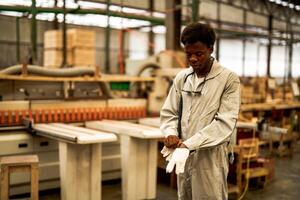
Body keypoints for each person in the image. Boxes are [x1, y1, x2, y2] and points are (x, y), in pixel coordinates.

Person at [160, 22, 241, 200]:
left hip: (210, 159)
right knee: (185, 196)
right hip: (183, 155)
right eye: (188, 54)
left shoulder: (228, 79)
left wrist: (191, 144)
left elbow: (224, 123)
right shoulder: (182, 78)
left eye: (199, 53)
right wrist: (170, 133)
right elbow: (170, 113)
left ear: (211, 49)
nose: (193, 59)